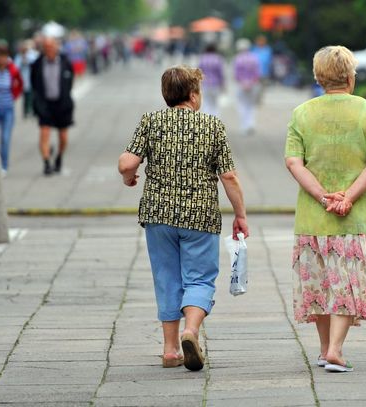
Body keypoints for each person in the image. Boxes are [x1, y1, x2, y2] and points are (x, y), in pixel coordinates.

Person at [118, 66, 249, 372]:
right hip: (200, 217)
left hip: (158, 215)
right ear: (193, 95)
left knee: (166, 279)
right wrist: (240, 214)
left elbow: (127, 162)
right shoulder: (212, 126)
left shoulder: (151, 121)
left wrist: (129, 178)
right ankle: (191, 330)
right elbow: (228, 175)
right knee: (199, 278)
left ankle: (169, 350)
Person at [285, 46, 366, 373]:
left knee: (320, 284)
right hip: (355, 217)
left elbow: (293, 161)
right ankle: (336, 350)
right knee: (348, 282)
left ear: (318, 78)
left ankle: (323, 348)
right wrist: (349, 197)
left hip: (314, 217)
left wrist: (322, 196)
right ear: (350, 76)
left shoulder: (302, 113)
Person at [31, 37, 75, 175]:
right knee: (44, 133)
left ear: (57, 47)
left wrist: (66, 97)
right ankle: (46, 163)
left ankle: (59, 157)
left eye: (51, 47)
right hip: (45, 104)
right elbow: (34, 82)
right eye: (46, 47)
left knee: (63, 137)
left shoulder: (65, 62)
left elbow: (70, 81)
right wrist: (38, 101)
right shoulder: (38, 63)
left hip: (62, 104)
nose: (49, 50)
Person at [0, 41, 23, 176]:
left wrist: (14, 96)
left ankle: (3, 165)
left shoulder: (13, 70)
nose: (2, 59)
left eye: (4, 56)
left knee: (5, 138)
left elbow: (20, 84)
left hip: (8, 108)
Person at [233, 38, 260, 136]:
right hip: (253, 85)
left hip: (241, 85)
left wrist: (243, 83)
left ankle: (244, 126)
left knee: (242, 105)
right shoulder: (254, 58)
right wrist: (251, 82)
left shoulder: (237, 59)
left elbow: (236, 75)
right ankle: (251, 124)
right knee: (251, 105)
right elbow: (257, 73)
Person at [198, 44, 225, 117]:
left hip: (205, 84)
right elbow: (221, 73)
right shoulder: (218, 59)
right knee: (215, 104)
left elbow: (198, 72)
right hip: (215, 84)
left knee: (206, 104)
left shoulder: (202, 58)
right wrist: (223, 84)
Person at [14, 39, 39, 118]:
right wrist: (22, 61)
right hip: (23, 79)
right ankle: (25, 111)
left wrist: (27, 60)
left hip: (32, 79)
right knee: (25, 97)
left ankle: (31, 110)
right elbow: (16, 67)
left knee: (32, 96)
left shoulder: (32, 54)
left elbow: (35, 63)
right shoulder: (19, 56)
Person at [251, 35, 272, 103]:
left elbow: (268, 60)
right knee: (255, 87)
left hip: (264, 72)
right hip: (255, 72)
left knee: (262, 87)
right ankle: (255, 99)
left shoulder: (267, 49)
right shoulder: (254, 49)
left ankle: (259, 99)